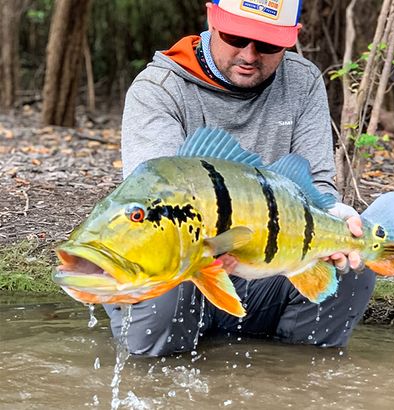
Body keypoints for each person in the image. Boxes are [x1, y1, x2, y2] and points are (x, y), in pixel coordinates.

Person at [104, 0, 375, 356]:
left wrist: (336, 216)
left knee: (354, 264)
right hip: (189, 269)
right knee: (170, 259)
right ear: (212, 20)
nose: (249, 54)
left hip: (263, 269)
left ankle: (297, 377)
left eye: (267, 43)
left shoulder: (303, 80)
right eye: (236, 36)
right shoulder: (159, 87)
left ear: (292, 38)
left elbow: (318, 189)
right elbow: (157, 200)